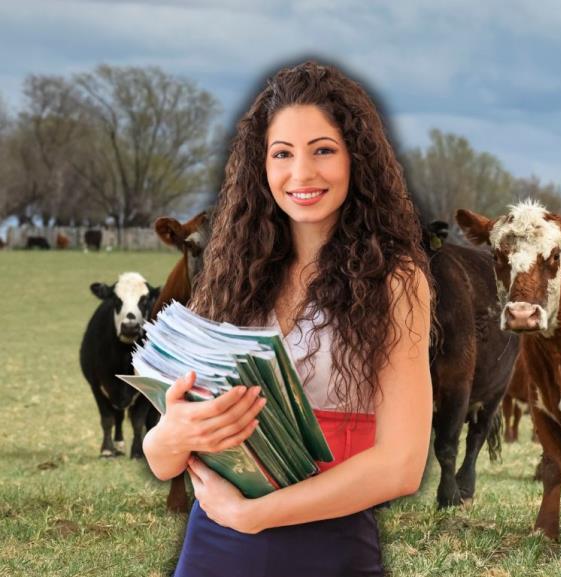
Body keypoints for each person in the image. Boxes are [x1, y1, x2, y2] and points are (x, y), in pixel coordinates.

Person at [142, 59, 433, 577]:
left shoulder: (396, 279)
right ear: (261, 166)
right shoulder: (234, 273)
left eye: (323, 150)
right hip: (213, 547)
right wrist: (173, 432)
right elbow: (167, 463)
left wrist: (254, 515)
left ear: (356, 159)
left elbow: (401, 466)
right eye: (282, 154)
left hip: (329, 550)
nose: (301, 174)